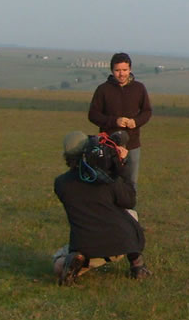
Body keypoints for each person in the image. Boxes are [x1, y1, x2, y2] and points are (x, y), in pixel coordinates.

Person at [53, 131, 150, 284]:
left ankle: (76, 260)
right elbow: (129, 200)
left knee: (58, 263)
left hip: (85, 246)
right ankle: (137, 264)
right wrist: (120, 166)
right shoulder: (107, 178)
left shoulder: (61, 183)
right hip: (121, 243)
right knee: (131, 213)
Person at [89, 52, 153, 185]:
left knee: (130, 183)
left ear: (130, 69)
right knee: (107, 182)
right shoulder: (103, 90)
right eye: (117, 70)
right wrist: (114, 121)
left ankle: (129, 207)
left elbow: (147, 111)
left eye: (125, 70)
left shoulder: (139, 88)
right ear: (112, 70)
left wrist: (136, 122)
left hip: (132, 145)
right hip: (108, 145)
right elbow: (93, 115)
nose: (121, 74)